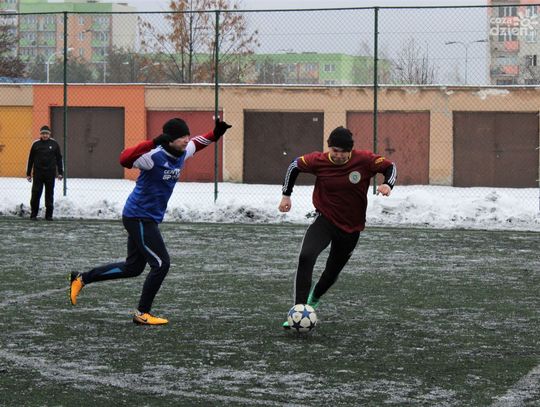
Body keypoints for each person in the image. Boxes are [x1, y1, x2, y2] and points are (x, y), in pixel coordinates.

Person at [69, 117, 232, 325]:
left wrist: (216, 133)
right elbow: (124, 158)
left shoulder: (182, 151)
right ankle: (142, 313)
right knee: (161, 264)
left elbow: (199, 142)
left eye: (187, 135)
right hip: (138, 216)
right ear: (169, 139)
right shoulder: (153, 156)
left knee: (133, 268)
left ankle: (82, 278)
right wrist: (153, 142)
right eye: (182, 136)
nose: (186, 140)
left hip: (147, 218)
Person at [278, 126, 397, 329]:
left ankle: (314, 298)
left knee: (331, 272)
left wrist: (388, 184)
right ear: (329, 148)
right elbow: (294, 165)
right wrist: (286, 195)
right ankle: (299, 310)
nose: (339, 155)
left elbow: (390, 167)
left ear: (350, 150)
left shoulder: (364, 160)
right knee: (306, 256)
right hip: (325, 220)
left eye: (344, 151)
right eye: (335, 150)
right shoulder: (318, 160)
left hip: (351, 228)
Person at [26, 125, 63, 220]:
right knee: (35, 194)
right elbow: (30, 159)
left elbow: (59, 159)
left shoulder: (54, 144)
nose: (45, 135)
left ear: (49, 134)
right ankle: (33, 215)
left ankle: (49, 215)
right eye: (43, 133)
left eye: (46, 133)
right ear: (40, 134)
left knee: (49, 194)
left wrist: (60, 172)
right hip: (38, 174)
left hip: (50, 174)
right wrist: (28, 173)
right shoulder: (36, 144)